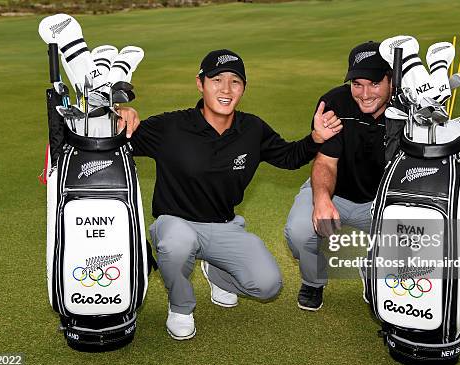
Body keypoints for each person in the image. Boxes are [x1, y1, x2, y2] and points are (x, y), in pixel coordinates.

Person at [118, 49, 342, 340]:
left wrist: (315, 140)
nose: (226, 89)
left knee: (268, 285)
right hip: (175, 223)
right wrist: (119, 113)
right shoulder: (170, 127)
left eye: (235, 82)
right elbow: (118, 139)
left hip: (224, 227)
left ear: (243, 88)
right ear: (200, 84)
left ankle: (217, 271)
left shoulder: (252, 129)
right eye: (217, 79)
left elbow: (288, 156)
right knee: (176, 244)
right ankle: (181, 307)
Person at [283, 41, 392, 311]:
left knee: (417, 238)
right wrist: (322, 199)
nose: (365, 94)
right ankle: (314, 280)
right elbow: (326, 163)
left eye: (374, 83)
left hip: (382, 203)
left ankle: (374, 271)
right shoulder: (334, 103)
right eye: (357, 84)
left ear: (392, 80)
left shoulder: (407, 111)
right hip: (336, 193)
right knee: (299, 232)